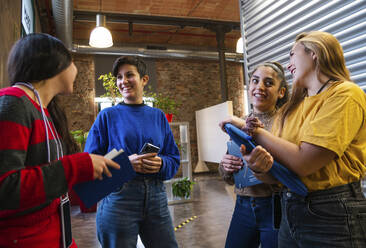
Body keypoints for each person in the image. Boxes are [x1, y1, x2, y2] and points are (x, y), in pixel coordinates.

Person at [230, 31, 366, 247]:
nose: (289, 63)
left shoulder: (345, 94)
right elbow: (276, 176)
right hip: (289, 208)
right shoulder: (290, 110)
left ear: (314, 52)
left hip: (332, 214)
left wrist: (254, 132)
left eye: (292, 54)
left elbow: (304, 163)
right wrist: (259, 166)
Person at [0, 33, 120, 248]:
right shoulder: (13, 103)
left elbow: (44, 185)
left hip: (54, 234)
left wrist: (89, 180)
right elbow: (5, 188)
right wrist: (77, 166)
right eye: (72, 62)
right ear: (55, 63)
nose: (76, 70)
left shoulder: (43, 111)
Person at [84, 56, 180, 248]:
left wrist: (162, 163)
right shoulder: (107, 117)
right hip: (119, 199)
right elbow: (89, 162)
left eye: (129, 75)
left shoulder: (158, 117)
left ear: (144, 79)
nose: (123, 81)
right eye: (119, 77)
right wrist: (125, 164)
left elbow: (173, 159)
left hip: (156, 198)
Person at [219, 62, 288, 248]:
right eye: (255, 81)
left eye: (268, 83)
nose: (259, 87)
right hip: (243, 205)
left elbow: (290, 169)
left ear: (281, 92)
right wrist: (226, 166)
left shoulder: (287, 122)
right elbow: (227, 174)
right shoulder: (240, 122)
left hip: (274, 207)